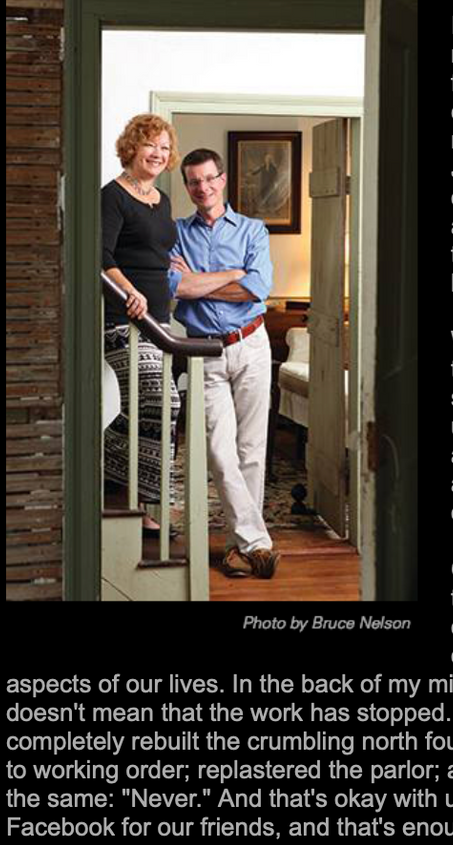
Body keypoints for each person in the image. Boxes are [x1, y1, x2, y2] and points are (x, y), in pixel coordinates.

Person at [169, 148, 278, 580]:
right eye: (194, 182)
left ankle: (240, 549)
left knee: (251, 449)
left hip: (251, 345)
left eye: (209, 179)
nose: (203, 188)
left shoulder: (253, 229)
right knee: (219, 449)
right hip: (204, 350)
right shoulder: (175, 233)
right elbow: (177, 287)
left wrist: (203, 283)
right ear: (187, 186)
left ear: (224, 178)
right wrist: (233, 274)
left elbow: (259, 288)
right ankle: (259, 542)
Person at [100, 115, 181, 542]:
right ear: (131, 147)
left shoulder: (162, 200)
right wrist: (131, 292)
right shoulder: (112, 196)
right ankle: (121, 478)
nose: (158, 154)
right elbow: (101, 254)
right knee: (164, 403)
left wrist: (172, 269)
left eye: (165, 148)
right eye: (151, 145)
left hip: (159, 321)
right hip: (122, 320)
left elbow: (155, 248)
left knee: (155, 410)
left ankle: (144, 501)